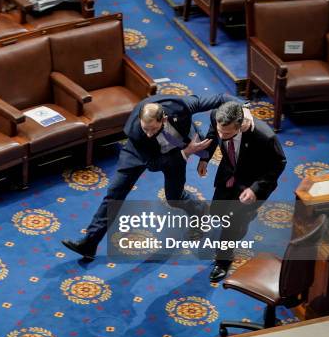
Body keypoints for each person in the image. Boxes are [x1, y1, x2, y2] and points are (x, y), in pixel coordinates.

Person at [62, 93, 251, 260]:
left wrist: (242, 108)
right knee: (114, 194)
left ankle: (199, 211)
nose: (149, 133)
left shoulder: (180, 105)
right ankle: (89, 243)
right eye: (146, 128)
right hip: (141, 154)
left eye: (152, 129)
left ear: (164, 118)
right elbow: (153, 165)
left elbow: (219, 99)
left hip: (177, 149)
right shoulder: (138, 133)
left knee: (174, 197)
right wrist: (185, 153)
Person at [197, 101, 286, 282]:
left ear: (240, 126)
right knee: (217, 210)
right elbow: (213, 135)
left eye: (227, 133)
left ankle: (223, 261)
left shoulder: (264, 136)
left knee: (232, 223)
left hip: (251, 182)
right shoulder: (217, 115)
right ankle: (245, 218)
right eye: (221, 130)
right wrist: (205, 158)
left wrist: (256, 189)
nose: (222, 135)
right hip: (228, 174)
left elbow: (279, 163)